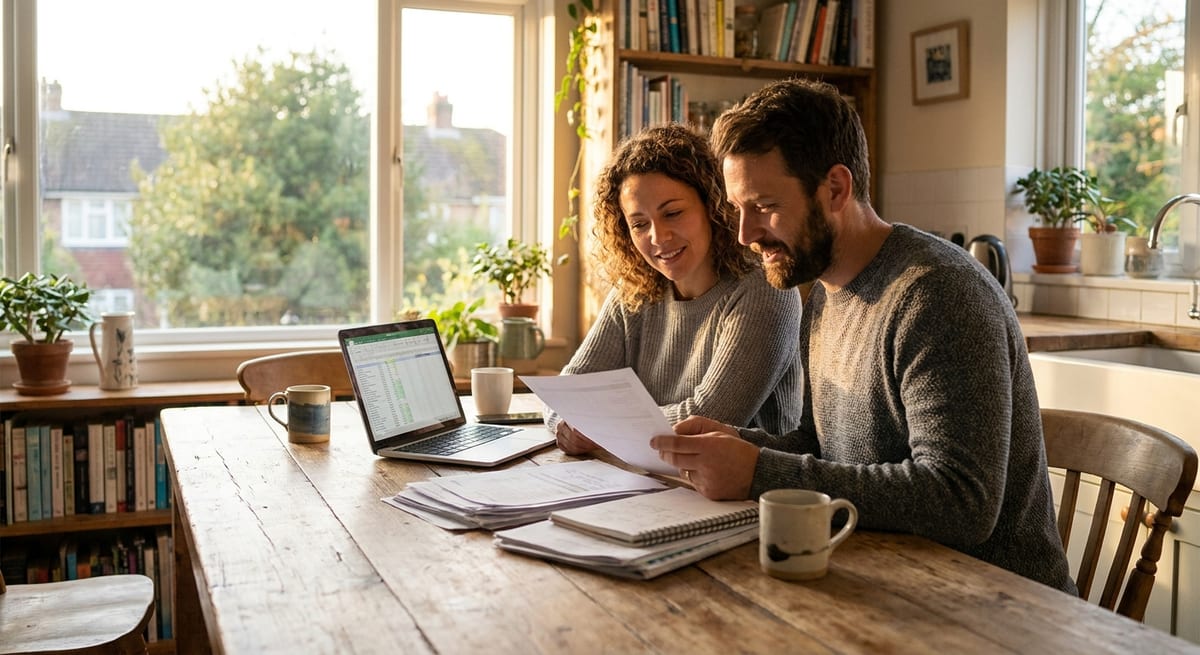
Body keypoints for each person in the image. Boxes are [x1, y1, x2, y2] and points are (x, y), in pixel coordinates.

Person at [650, 78, 1077, 595]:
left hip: (996, 608)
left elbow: (961, 502)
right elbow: (821, 447)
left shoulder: (938, 293)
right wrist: (736, 445)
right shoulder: (825, 293)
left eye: (763, 205)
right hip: (888, 579)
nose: (745, 234)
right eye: (738, 209)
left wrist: (759, 472)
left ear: (835, 188)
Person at [549, 123, 804, 453]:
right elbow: (565, 395)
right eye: (639, 224)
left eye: (673, 213)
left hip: (743, 492)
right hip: (650, 479)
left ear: (713, 207)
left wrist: (601, 427)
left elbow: (707, 418)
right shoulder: (634, 290)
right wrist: (568, 423)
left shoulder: (765, 290)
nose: (658, 237)